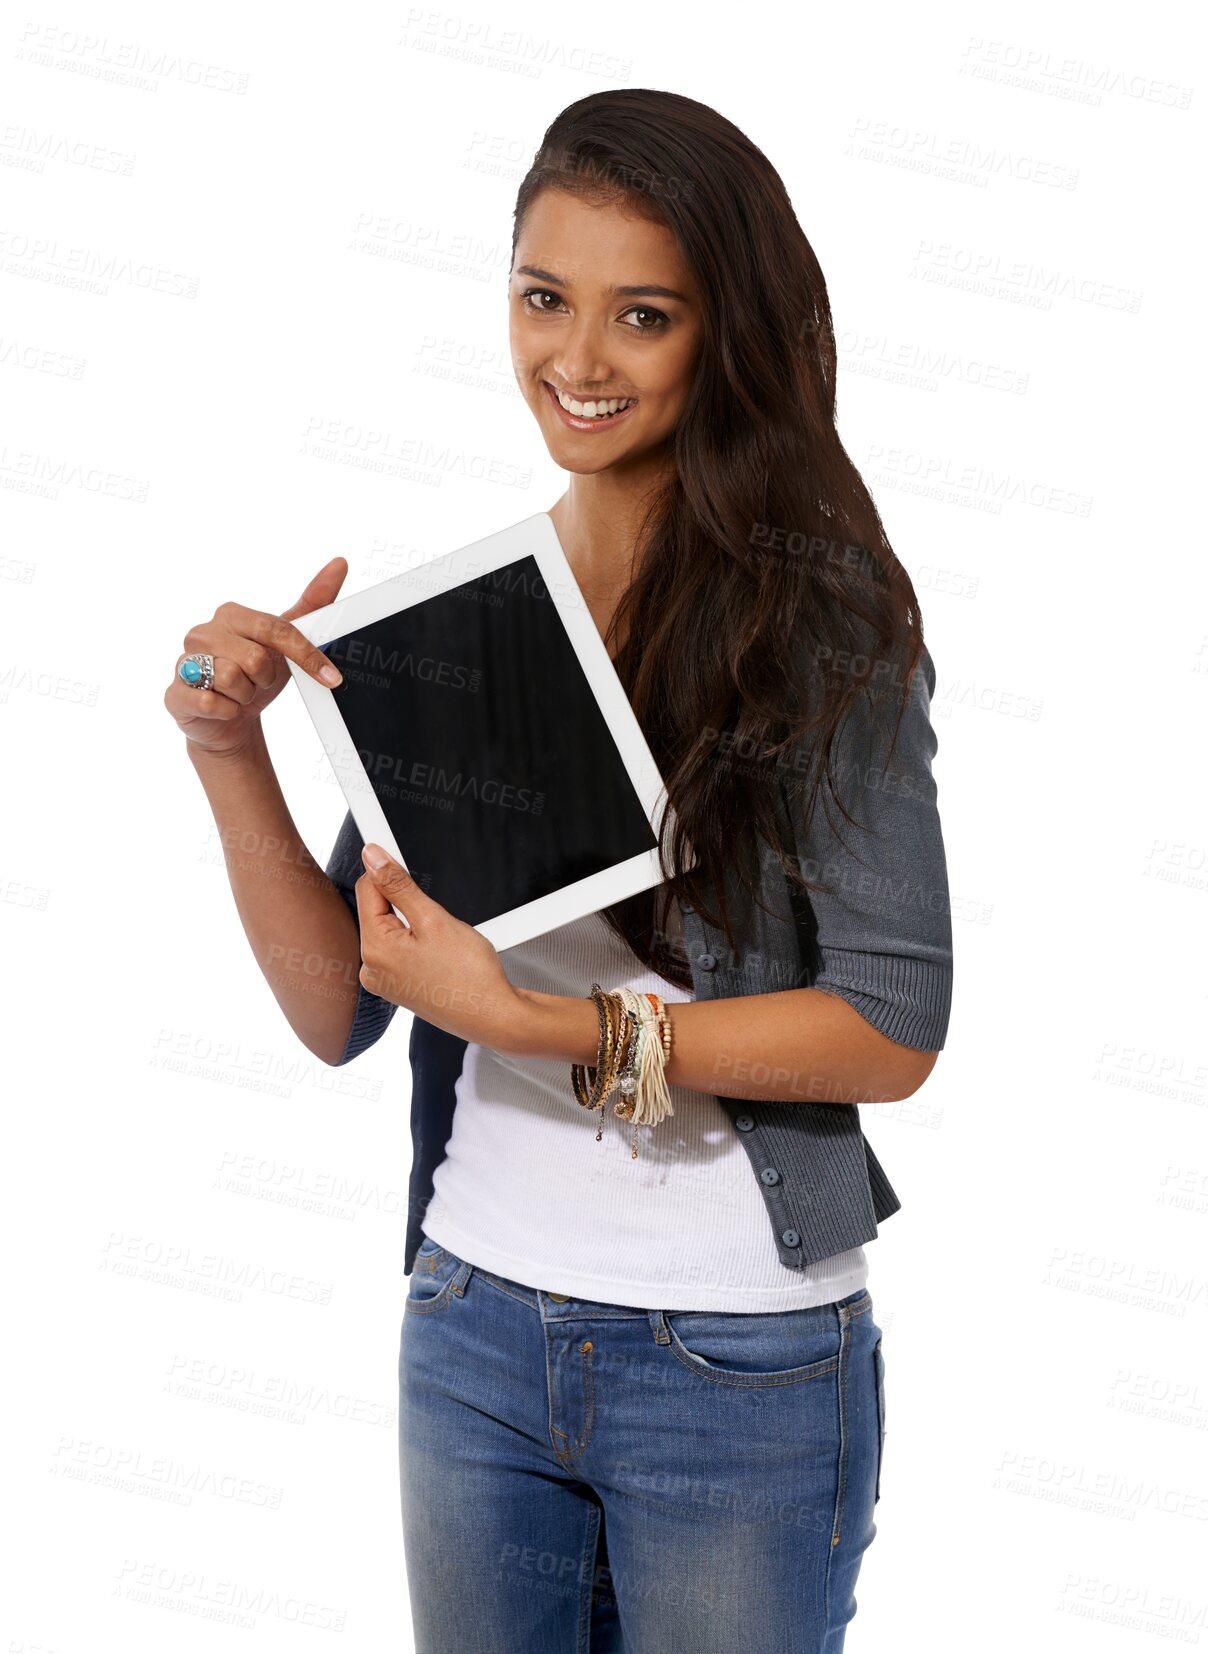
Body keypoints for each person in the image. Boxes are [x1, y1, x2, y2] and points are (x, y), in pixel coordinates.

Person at [166, 88, 954, 1654]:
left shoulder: (821, 616)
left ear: (721, 330)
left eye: (640, 315)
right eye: (543, 298)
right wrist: (230, 752)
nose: (576, 362)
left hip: (737, 1363)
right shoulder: (477, 611)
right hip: (474, 1328)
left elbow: (894, 1017)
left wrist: (542, 1027)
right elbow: (342, 1005)